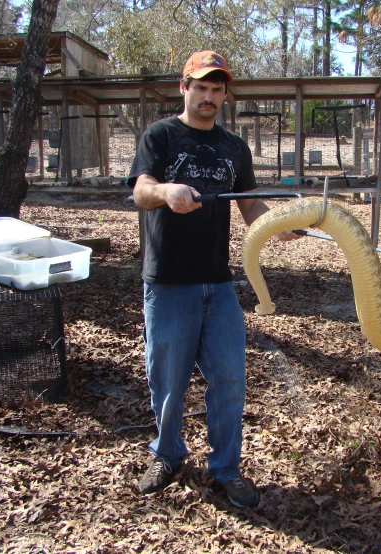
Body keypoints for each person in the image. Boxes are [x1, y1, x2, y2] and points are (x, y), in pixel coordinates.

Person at [128, 50, 298, 508]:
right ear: (184, 87)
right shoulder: (160, 135)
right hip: (168, 283)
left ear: (225, 94)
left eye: (217, 88)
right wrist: (167, 192)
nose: (208, 96)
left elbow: (251, 208)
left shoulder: (234, 148)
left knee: (229, 379)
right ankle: (167, 455)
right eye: (200, 86)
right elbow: (141, 190)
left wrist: (282, 225)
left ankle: (225, 468)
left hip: (218, 284)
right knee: (168, 380)